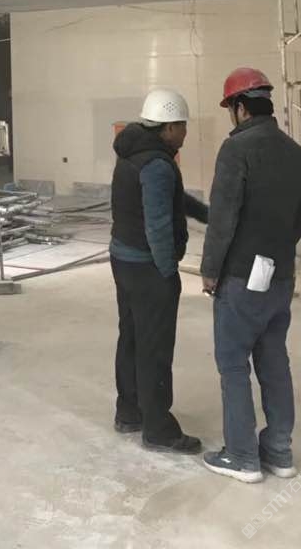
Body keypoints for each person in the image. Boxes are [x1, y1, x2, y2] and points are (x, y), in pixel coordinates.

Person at [201, 68, 301, 483]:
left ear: (240, 107)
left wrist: (210, 271)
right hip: (280, 275)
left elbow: (222, 219)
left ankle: (242, 456)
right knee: (274, 361)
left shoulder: (237, 150)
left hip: (240, 278)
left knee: (233, 365)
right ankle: (279, 452)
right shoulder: (296, 153)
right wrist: (275, 245)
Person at [110, 88, 209, 454]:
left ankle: (129, 411)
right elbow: (158, 224)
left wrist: (207, 214)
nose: (185, 133)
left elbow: (172, 199)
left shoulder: (133, 153)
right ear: (168, 127)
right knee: (155, 346)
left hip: (123, 259)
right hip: (147, 267)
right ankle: (159, 429)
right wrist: (168, 272)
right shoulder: (157, 165)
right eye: (182, 126)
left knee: (132, 336)